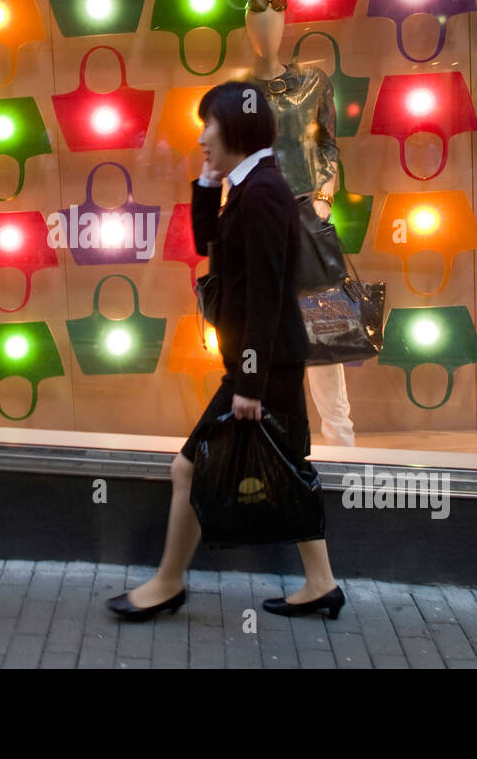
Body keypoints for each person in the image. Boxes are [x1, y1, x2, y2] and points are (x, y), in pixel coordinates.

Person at [106, 82, 344, 621]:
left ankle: (167, 583)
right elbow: (206, 242)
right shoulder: (251, 184)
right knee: (283, 465)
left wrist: (249, 386)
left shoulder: (262, 191)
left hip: (265, 366)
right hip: (265, 363)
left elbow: (266, 292)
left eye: (208, 123)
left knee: (188, 468)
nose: (201, 135)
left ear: (234, 125)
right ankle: (322, 583)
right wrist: (208, 184)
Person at [243, 0, 356, 446]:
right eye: (256, 24)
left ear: (285, 24)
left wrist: (326, 195)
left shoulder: (312, 80)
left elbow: (328, 140)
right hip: (259, 216)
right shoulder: (239, 90)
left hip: (308, 211)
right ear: (248, 31)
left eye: (273, 22)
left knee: (324, 330)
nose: (265, 32)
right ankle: (279, 438)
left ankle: (341, 437)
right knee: (265, 331)